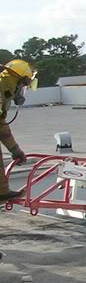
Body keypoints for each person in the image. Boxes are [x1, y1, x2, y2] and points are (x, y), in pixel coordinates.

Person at [0, 59, 36, 202]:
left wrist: (15, 149)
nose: (21, 91)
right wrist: (15, 149)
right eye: (22, 85)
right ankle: (2, 193)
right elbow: (1, 127)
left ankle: (2, 192)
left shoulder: (3, 89)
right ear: (15, 81)